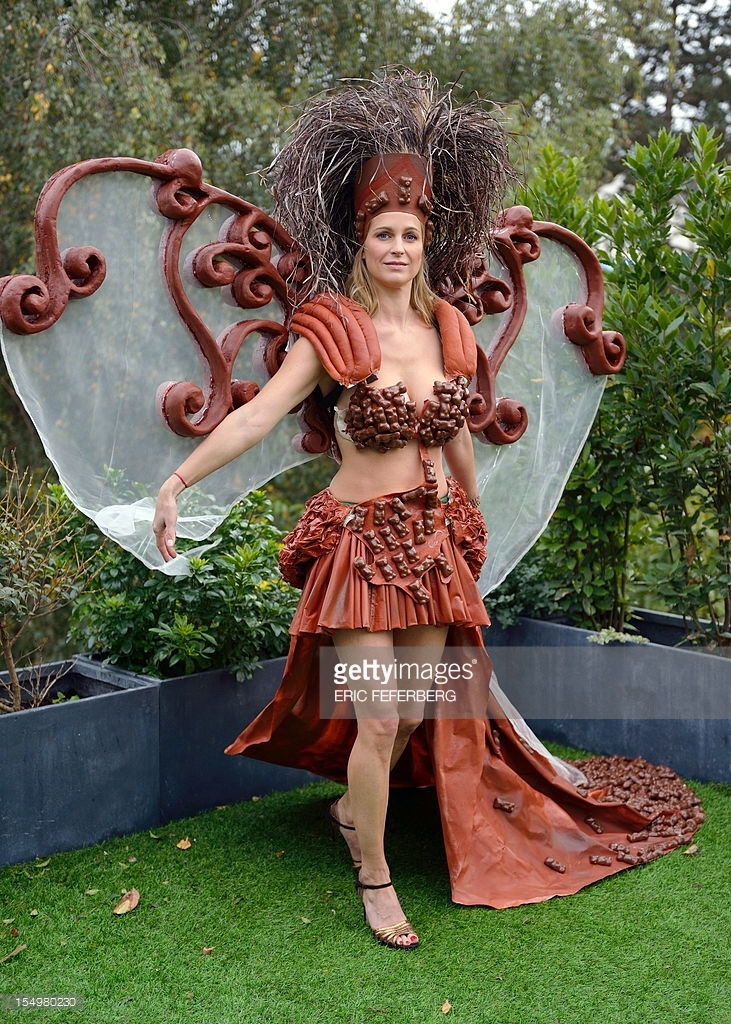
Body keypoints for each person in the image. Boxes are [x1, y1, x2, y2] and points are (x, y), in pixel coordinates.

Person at [153, 71, 703, 947]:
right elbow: (257, 416)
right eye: (384, 232)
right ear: (361, 240)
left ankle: (350, 810)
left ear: (426, 241)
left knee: (411, 710)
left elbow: (456, 438)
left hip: (433, 543)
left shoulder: (450, 328)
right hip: (359, 547)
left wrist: (472, 519)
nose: (398, 246)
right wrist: (178, 483)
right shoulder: (332, 329)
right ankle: (374, 880)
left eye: (410, 233)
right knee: (378, 716)